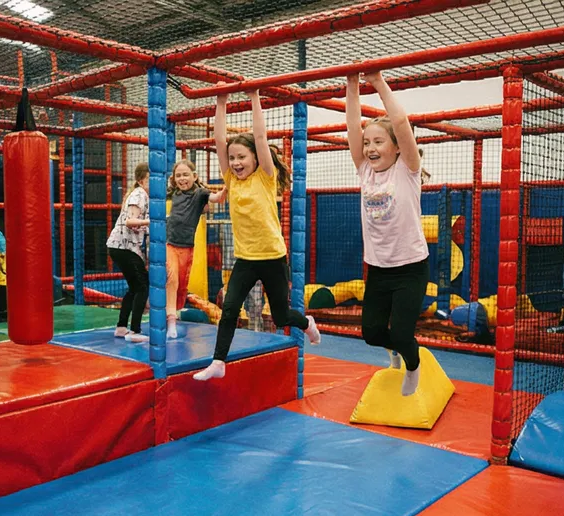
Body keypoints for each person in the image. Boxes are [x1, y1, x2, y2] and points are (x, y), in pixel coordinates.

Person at [197, 91, 320, 383]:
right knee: (229, 309)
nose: (236, 163)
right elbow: (218, 141)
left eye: (242, 157)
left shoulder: (265, 177)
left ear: (255, 158)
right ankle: (218, 361)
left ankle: (306, 322)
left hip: (273, 258)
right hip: (245, 259)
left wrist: (254, 97)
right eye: (233, 158)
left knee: (280, 316)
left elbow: (261, 137)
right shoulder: (230, 179)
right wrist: (221, 103)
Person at [346, 71, 430, 396]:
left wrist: (378, 83)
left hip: (410, 268)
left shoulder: (407, 170)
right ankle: (394, 351)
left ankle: (413, 365)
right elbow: (353, 126)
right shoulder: (364, 170)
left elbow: (402, 123)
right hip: (378, 269)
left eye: (379, 141)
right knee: (371, 333)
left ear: (396, 147)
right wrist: (352, 86)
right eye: (367, 143)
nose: (370, 147)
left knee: (402, 332)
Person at [164, 157, 219, 340]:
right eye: (178, 175)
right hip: (169, 244)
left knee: (181, 286)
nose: (182, 179)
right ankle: (170, 320)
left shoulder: (199, 194)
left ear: (194, 176)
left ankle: (175, 314)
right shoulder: (173, 193)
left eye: (186, 175)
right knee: (171, 278)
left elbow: (216, 198)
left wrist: (227, 186)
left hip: (186, 248)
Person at [105, 162, 152, 344]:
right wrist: (153, 221)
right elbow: (130, 221)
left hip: (121, 247)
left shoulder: (142, 195)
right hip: (123, 246)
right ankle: (134, 330)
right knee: (142, 287)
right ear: (141, 181)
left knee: (135, 287)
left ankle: (121, 327)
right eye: (149, 179)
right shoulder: (139, 195)